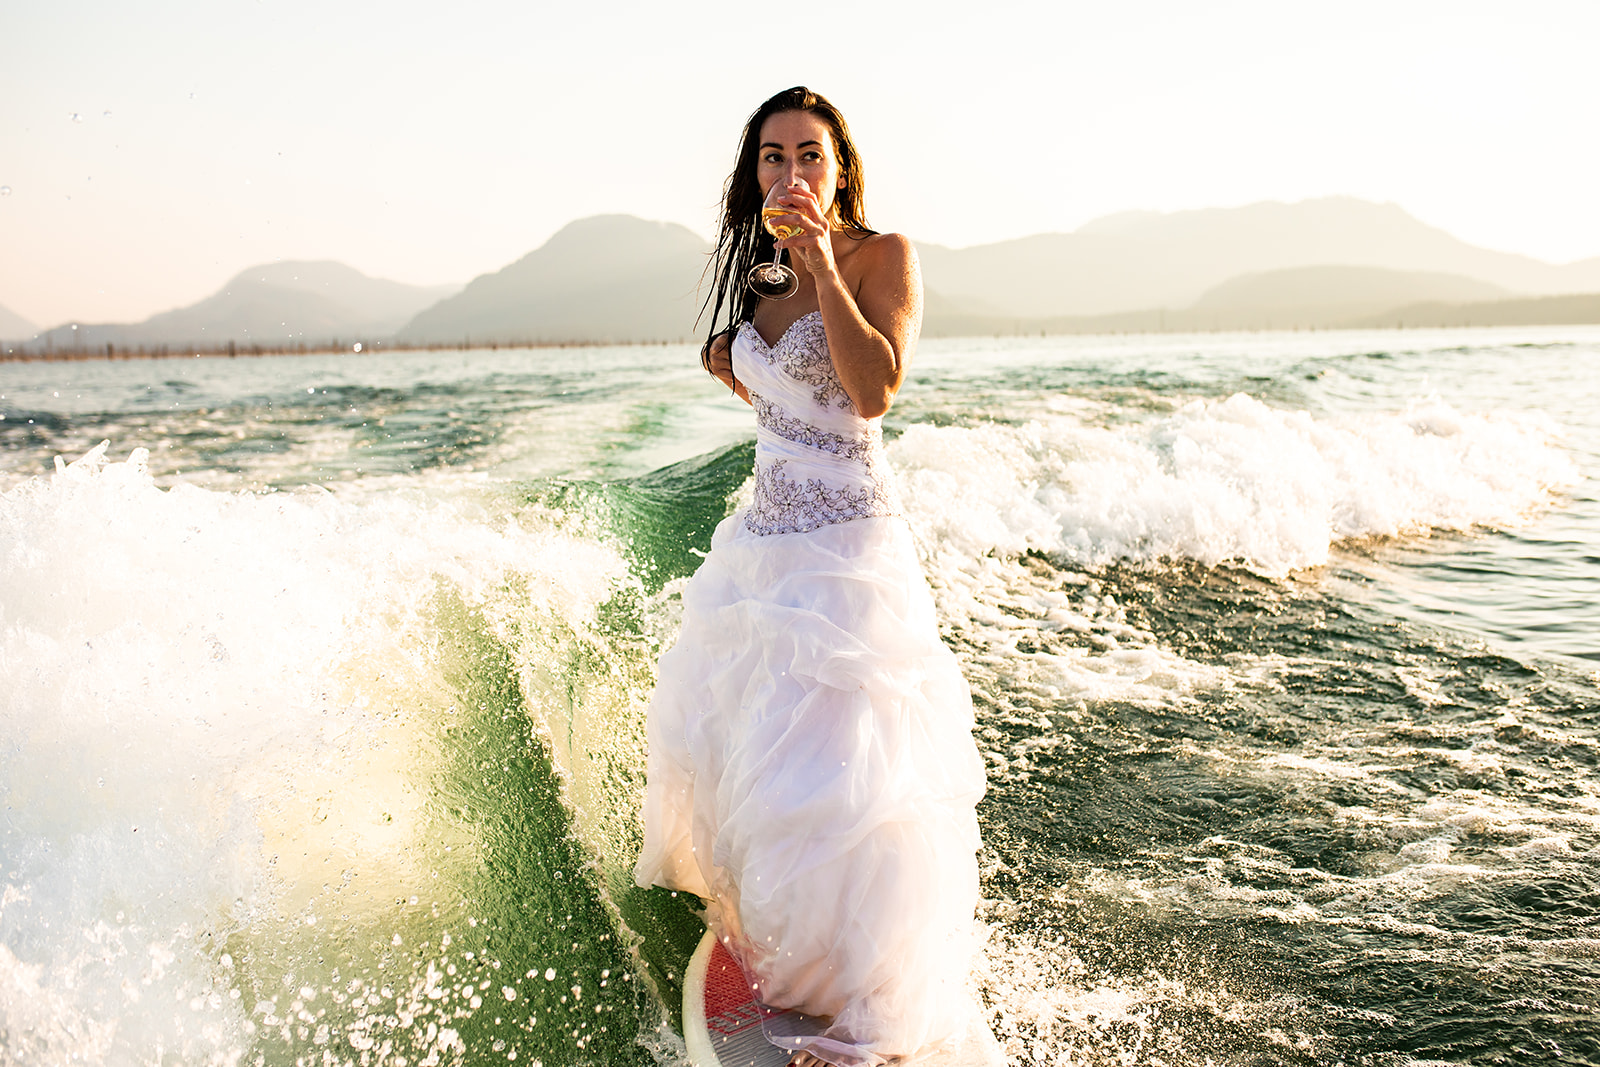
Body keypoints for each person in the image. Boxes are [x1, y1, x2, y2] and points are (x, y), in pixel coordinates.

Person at [633, 86, 987, 1067]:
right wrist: (737, 358)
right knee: (753, 760)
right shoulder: (759, 274)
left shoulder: (880, 256)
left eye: (810, 156)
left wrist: (825, 258)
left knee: (844, 784)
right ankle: (799, 961)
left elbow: (872, 389)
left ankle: (874, 1004)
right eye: (773, 158)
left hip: (848, 555)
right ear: (755, 174)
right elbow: (757, 368)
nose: (792, 174)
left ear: (840, 167)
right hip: (761, 553)